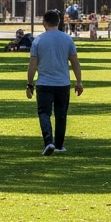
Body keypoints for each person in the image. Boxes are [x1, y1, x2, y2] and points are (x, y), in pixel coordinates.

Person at [25, 9, 83, 155]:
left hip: (44, 83)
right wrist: (79, 82)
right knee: (61, 114)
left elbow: (33, 64)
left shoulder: (38, 40)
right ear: (58, 22)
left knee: (44, 113)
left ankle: (48, 141)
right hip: (63, 83)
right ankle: (59, 144)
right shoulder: (67, 39)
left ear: (44, 22)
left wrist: (29, 84)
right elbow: (75, 62)